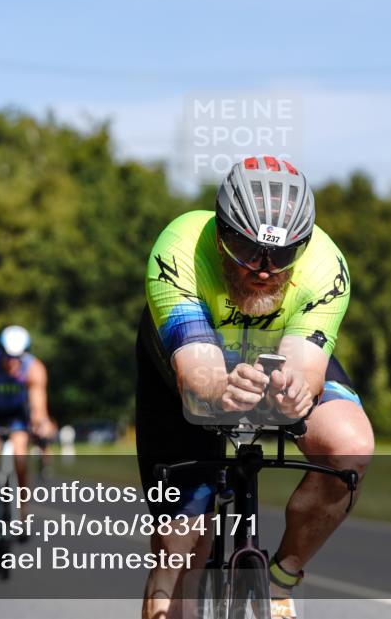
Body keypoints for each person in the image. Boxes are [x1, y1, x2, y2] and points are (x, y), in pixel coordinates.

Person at [135, 156, 374, 619]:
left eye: (283, 255)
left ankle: (281, 579)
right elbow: (196, 373)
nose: (264, 269)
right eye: (247, 250)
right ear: (222, 232)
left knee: (352, 447)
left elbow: (305, 369)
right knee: (180, 553)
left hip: (276, 352)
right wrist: (221, 389)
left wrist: (295, 392)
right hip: (184, 365)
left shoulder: (327, 266)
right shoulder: (181, 244)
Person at [0, 325, 56, 517]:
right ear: (0, 351)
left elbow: (38, 405)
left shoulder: (34, 368)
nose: (12, 362)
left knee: (20, 458)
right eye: (8, 356)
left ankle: (22, 510)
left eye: (18, 357)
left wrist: (41, 423)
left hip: (18, 419)